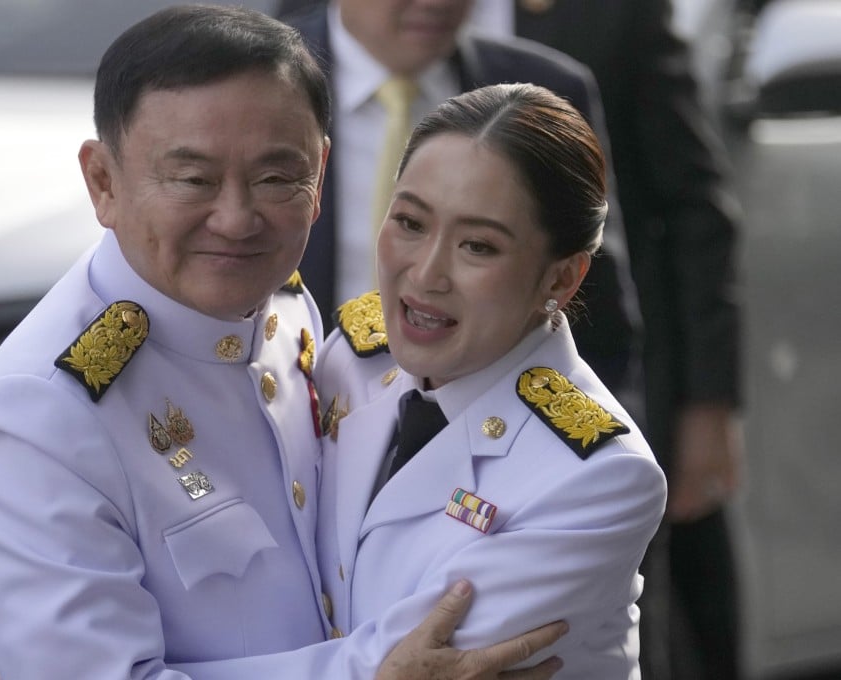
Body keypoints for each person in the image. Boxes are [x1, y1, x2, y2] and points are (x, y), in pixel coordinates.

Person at [0, 5, 568, 680]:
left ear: (320, 172)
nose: (238, 219)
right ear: (103, 181)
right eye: (193, 180)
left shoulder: (283, 309)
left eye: (277, 178)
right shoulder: (40, 412)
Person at [125, 82, 666, 680]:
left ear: (561, 279)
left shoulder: (597, 478)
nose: (426, 273)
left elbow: (408, 666)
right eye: (409, 222)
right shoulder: (353, 362)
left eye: (478, 246)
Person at [445, 3, 748, 678]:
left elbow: (691, 208)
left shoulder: (609, 19)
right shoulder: (318, 32)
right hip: (391, 408)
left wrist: (707, 404)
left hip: (569, 398)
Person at [276, 0, 644, 423]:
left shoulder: (547, 91)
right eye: (411, 223)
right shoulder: (256, 78)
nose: (438, 3)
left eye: (478, 245)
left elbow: (604, 319)